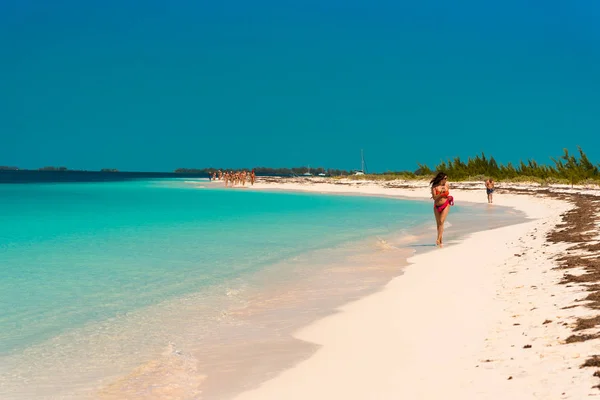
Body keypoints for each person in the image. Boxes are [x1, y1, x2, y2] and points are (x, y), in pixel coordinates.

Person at [430, 172, 453, 247]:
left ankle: (438, 238)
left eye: (447, 178)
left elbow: (447, 194)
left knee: (441, 221)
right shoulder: (434, 186)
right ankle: (440, 239)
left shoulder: (447, 185)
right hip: (436, 206)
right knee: (438, 224)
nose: (446, 180)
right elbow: (434, 197)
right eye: (445, 178)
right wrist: (440, 194)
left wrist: (447, 196)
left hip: (445, 204)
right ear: (441, 179)